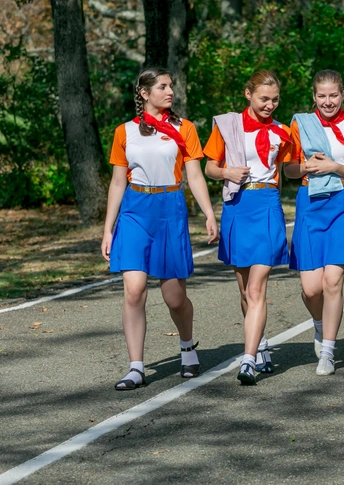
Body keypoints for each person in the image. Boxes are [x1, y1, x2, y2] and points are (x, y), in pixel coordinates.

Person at [101, 67, 219, 390]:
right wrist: (108, 228)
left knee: (174, 297)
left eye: (171, 86)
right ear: (144, 93)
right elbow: (116, 182)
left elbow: (194, 175)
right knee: (134, 289)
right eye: (163, 87)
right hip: (135, 211)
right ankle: (136, 367)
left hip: (170, 210)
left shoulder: (185, 128)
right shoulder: (125, 132)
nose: (170, 92)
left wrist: (209, 213)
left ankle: (187, 345)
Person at [203, 70, 292, 385]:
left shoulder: (283, 131)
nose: (270, 105)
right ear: (248, 95)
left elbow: (289, 168)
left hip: (267, 205)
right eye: (264, 99)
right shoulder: (229, 127)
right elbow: (209, 167)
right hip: (237, 207)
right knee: (244, 291)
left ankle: (248, 360)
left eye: (275, 99)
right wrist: (227, 171)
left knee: (256, 289)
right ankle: (262, 343)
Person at [285, 70, 344, 376]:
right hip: (310, 203)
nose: (328, 101)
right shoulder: (301, 123)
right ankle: (320, 325)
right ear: (313, 97)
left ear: (342, 95)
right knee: (311, 290)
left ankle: (328, 351)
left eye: (333, 95)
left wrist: (335, 166)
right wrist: (306, 167)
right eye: (321, 96)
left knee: (332, 281)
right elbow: (289, 171)